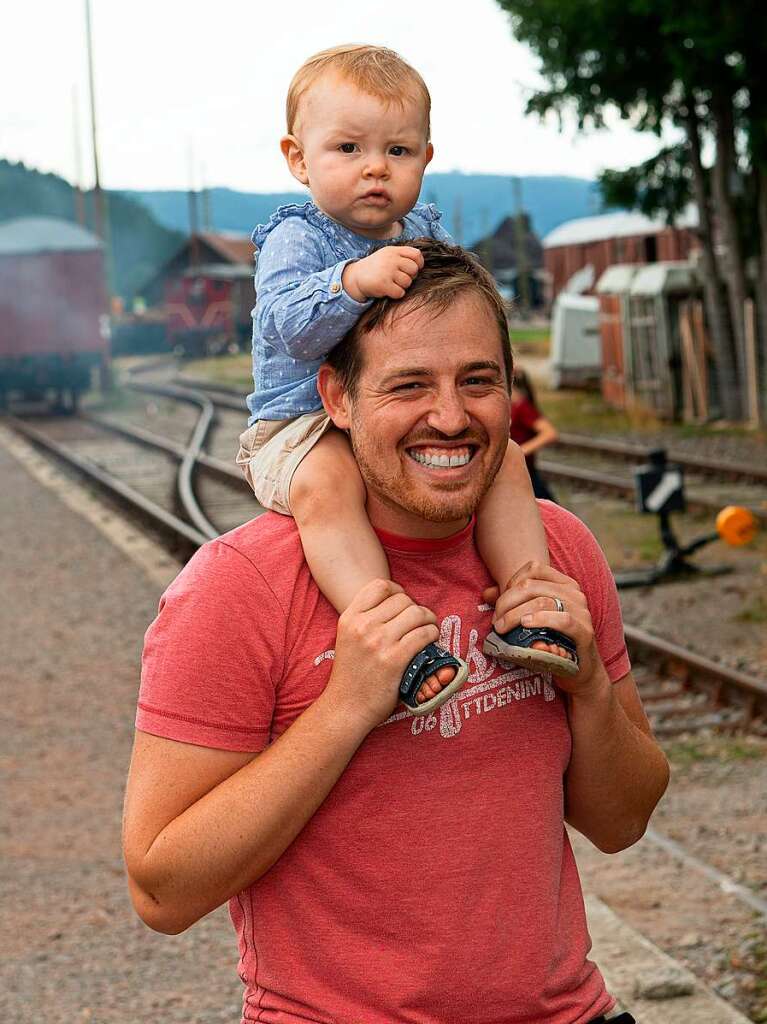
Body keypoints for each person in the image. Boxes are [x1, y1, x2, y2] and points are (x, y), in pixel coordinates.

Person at [124, 241, 669, 1024]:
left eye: (476, 381)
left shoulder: (555, 551)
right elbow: (162, 890)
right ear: (335, 399)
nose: (449, 416)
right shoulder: (238, 586)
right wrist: (346, 706)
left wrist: (586, 690)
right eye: (407, 385)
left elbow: (621, 822)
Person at [235, 43, 577, 705]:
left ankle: (529, 602)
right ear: (297, 159)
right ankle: (394, 639)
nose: (374, 170)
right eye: (348, 150)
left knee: (504, 458)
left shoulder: (419, 227)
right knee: (329, 486)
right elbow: (284, 324)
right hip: (298, 425)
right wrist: (349, 283)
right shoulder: (297, 238)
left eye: (397, 151)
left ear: (425, 157)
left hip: (389, 415)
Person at [510, 365, 559, 502]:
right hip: (514, 474)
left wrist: (520, 451)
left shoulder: (522, 407)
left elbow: (549, 433)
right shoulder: (510, 407)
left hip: (526, 474)